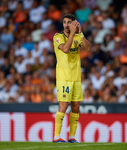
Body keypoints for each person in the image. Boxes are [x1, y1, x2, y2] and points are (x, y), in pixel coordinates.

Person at [53, 14, 91, 143]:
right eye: (64, 22)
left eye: (69, 22)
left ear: (74, 24)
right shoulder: (58, 37)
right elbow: (65, 49)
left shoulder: (77, 36)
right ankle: (57, 136)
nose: (66, 24)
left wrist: (80, 34)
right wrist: (72, 34)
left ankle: (72, 137)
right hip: (64, 77)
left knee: (76, 106)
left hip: (76, 78)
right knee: (63, 106)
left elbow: (88, 48)